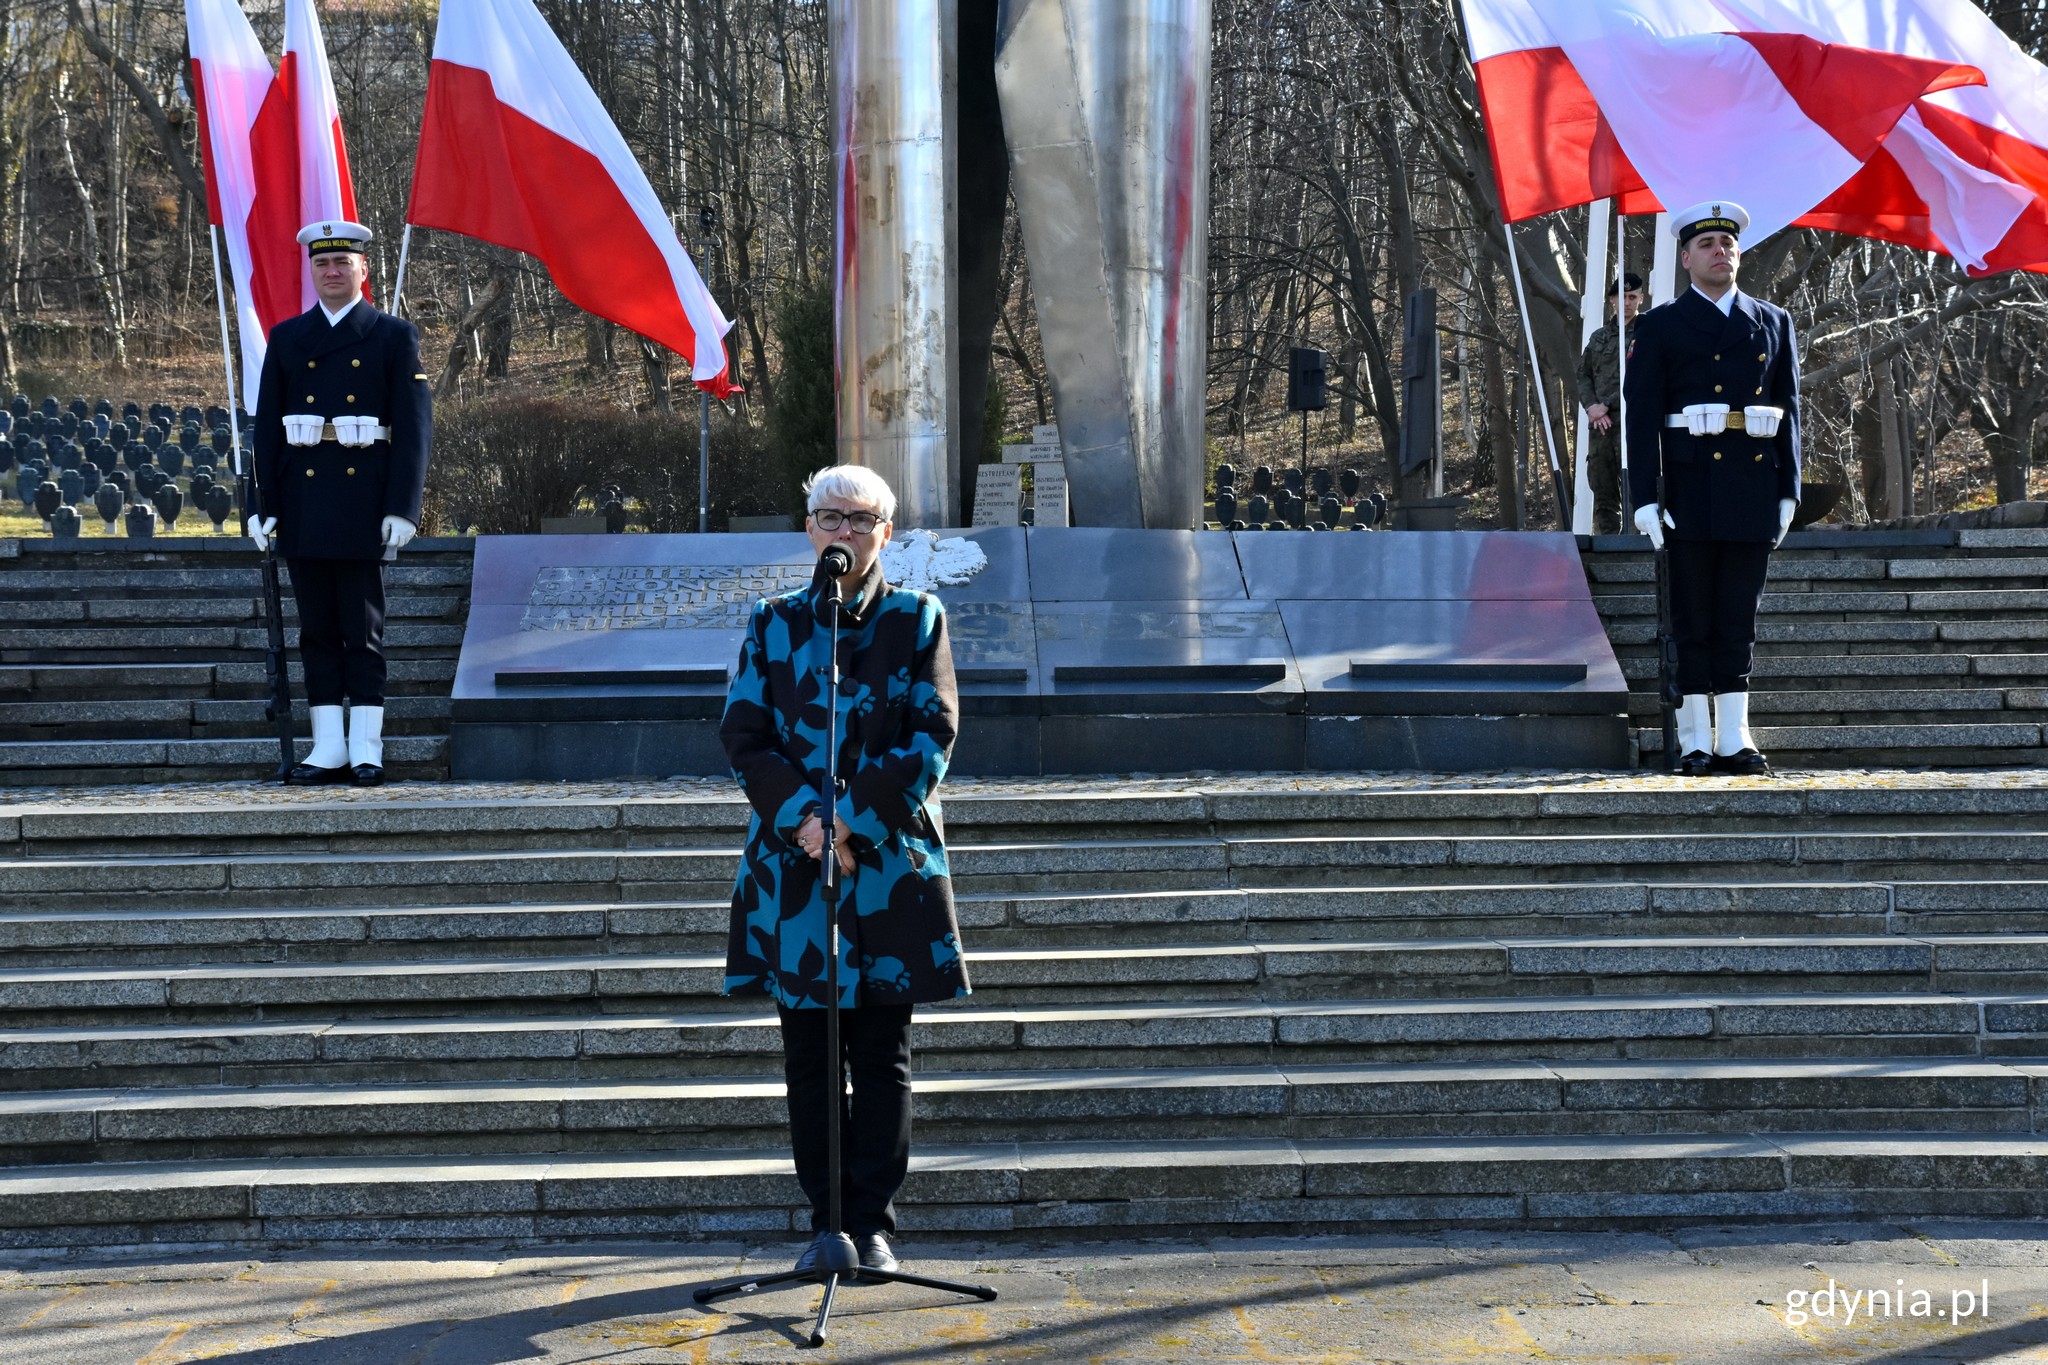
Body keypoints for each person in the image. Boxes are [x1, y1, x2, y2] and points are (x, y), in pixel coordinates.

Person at [720, 464, 967, 1276]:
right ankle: (825, 1223)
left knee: (882, 1052)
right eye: (830, 516)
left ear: (884, 535)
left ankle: (872, 1223)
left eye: (862, 520)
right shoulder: (774, 624)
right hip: (797, 872)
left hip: (887, 866)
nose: (844, 532)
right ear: (809, 527)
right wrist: (811, 825)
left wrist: (853, 822)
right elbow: (746, 735)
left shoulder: (916, 617)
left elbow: (932, 733)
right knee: (811, 1055)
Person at [249, 221, 431, 786]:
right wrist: (262, 504)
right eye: (322, 264)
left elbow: (414, 429)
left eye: (342, 263)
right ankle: (327, 745)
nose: (332, 272)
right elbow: (268, 432)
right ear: (312, 271)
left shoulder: (392, 335)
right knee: (317, 631)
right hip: (304, 501)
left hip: (363, 501)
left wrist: (403, 507)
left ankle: (366, 746)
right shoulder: (286, 337)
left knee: (363, 629)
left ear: (363, 271)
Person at [1625, 201, 1800, 777]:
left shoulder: (1773, 321)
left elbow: (1790, 410)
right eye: (1706, 244)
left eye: (1727, 243)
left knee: (1738, 618)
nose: (1719, 251)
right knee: (1692, 616)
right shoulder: (1658, 325)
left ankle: (1736, 738)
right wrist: (1645, 498)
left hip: (1752, 485)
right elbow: (1641, 415)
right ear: (1685, 258)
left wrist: (1789, 489)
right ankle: (1697, 739)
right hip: (1688, 488)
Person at [1577, 271, 1644, 535]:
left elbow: (1642, 377)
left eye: (1632, 297)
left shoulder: (1648, 333)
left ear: (1640, 298)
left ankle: (1633, 551)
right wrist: (1592, 407)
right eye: (1621, 297)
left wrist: (1607, 404)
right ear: (1611, 300)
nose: (1626, 302)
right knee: (1602, 488)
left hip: (1633, 424)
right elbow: (1583, 375)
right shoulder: (1598, 338)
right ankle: (1607, 549)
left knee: (1634, 491)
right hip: (1601, 428)